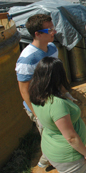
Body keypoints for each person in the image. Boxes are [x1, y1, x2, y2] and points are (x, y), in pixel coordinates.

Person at [29, 57, 86, 172]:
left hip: (50, 145)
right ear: (58, 77)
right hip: (69, 157)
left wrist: (66, 95)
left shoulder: (36, 92)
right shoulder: (57, 105)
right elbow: (71, 137)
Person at [15, 14, 58, 168]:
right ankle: (45, 163)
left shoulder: (52, 48)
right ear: (37, 34)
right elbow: (24, 90)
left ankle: (50, 159)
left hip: (52, 101)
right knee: (48, 137)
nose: (54, 31)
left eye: (53, 28)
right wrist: (36, 113)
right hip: (39, 106)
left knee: (56, 134)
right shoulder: (27, 59)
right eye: (50, 29)